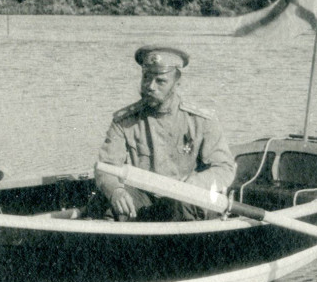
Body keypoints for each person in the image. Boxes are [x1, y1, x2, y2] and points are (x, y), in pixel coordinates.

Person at [94, 46, 236, 220]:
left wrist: (196, 183)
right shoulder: (124, 121)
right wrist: (116, 191)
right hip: (143, 197)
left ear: (177, 82)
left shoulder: (202, 121)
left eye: (160, 81)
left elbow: (225, 168)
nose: (150, 87)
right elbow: (106, 167)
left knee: (185, 203)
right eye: (146, 78)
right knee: (116, 205)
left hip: (183, 198)